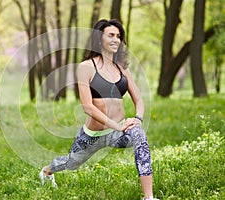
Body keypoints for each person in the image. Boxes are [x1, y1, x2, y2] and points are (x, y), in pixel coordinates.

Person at [39, 19, 158, 200]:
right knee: (72, 163)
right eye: (111, 35)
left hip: (118, 133)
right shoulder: (86, 67)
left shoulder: (123, 69)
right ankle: (47, 171)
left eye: (119, 36)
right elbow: (87, 106)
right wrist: (118, 126)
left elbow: (139, 99)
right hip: (92, 136)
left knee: (140, 135)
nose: (116, 40)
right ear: (98, 38)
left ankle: (148, 197)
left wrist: (138, 119)